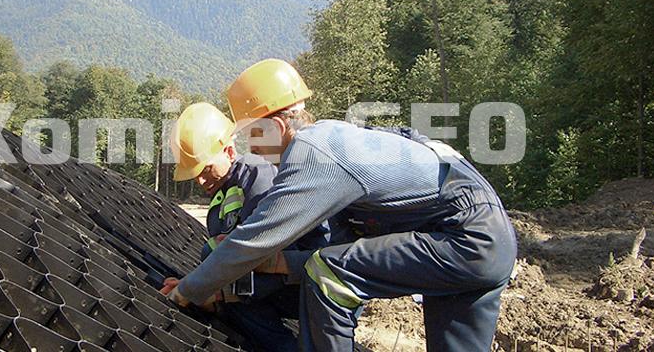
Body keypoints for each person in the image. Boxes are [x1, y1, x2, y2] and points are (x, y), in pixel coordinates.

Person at [162, 59, 518, 351]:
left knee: (328, 273)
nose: (252, 149)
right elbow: (346, 244)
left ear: (274, 125)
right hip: (487, 237)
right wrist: (282, 263)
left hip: (463, 235)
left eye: (253, 134)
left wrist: (190, 290)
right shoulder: (337, 139)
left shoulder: (311, 155)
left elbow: (254, 240)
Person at [167, 102, 343, 352]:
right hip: (273, 284)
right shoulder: (221, 201)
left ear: (229, 152)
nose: (201, 180)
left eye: (205, 169)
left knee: (222, 274)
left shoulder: (259, 176)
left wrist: (213, 293)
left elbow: (273, 254)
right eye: (194, 174)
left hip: (309, 280)